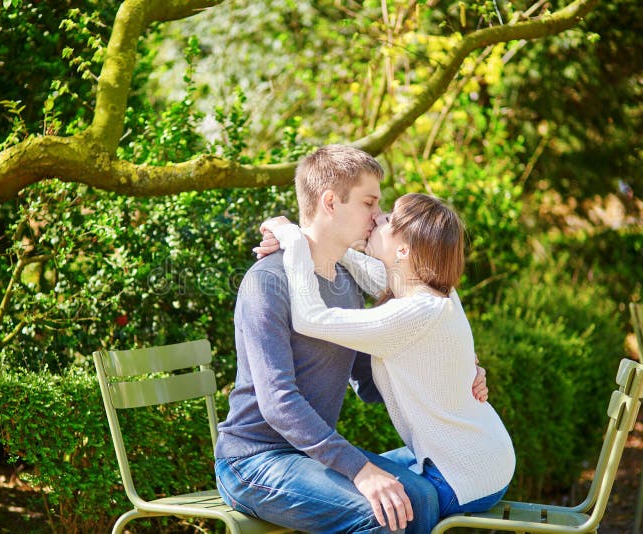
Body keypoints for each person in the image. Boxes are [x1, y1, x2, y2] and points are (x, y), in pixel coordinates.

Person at [214, 145, 488, 533]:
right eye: (369, 202)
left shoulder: (345, 282)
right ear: (330, 202)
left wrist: (457, 374)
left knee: (423, 498)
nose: (379, 217)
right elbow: (278, 402)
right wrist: (360, 470)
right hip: (254, 460)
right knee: (389, 516)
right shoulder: (268, 282)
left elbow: (370, 378)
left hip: (307, 456)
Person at [261, 193, 515, 519]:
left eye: (387, 221)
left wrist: (294, 240)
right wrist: (313, 237)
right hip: (481, 460)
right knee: (347, 475)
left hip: (460, 480)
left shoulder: (412, 312)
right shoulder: (431, 290)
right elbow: (366, 269)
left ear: (403, 250)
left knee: (347, 493)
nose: (377, 218)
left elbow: (310, 318)